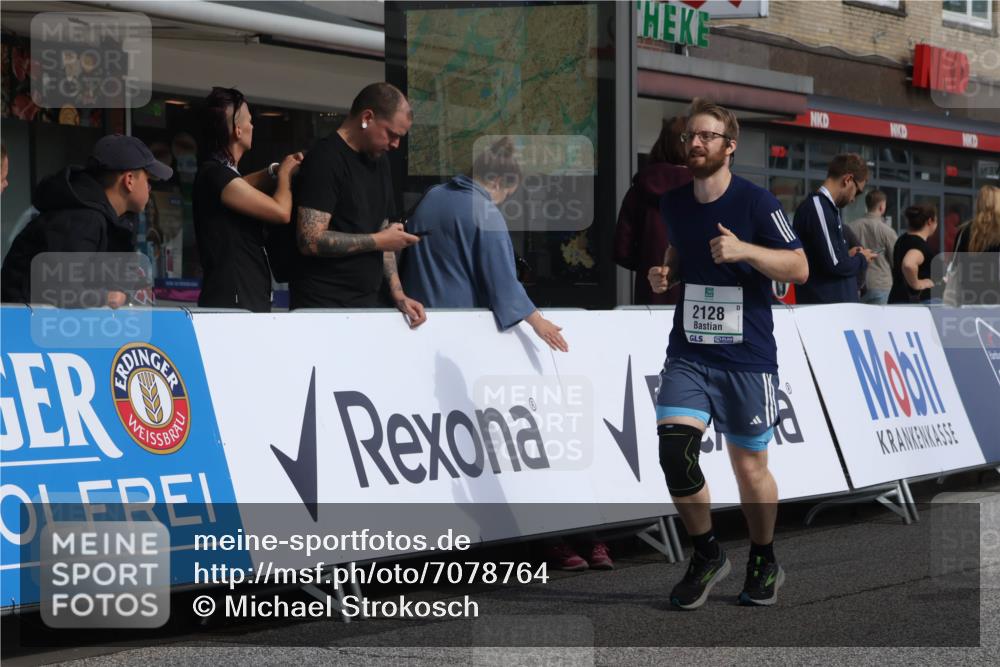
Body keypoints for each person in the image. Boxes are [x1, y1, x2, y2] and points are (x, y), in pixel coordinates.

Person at [647, 98, 808, 610]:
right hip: (689, 352)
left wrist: (747, 252)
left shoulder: (758, 204)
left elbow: (800, 267)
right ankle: (707, 553)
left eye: (706, 137)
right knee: (675, 453)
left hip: (747, 358)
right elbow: (680, 248)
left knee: (749, 468)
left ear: (729, 147)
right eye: (689, 136)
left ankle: (764, 556)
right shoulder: (673, 202)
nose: (694, 143)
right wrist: (667, 271)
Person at [399, 137, 568, 352]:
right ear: (497, 181)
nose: (503, 201)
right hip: (459, 328)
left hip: (411, 320)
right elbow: (503, 282)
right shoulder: (486, 214)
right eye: (507, 194)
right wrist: (539, 322)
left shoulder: (432, 195)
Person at [291, 82, 425, 327]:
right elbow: (309, 239)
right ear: (367, 118)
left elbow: (384, 232)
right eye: (392, 134)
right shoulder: (326, 158)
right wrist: (378, 240)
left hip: (366, 304)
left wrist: (398, 294)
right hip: (323, 308)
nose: (395, 144)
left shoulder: (379, 161)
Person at [1, 134, 172, 305]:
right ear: (129, 181)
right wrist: (108, 297)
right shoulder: (82, 219)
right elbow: (59, 289)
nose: (150, 190)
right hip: (23, 323)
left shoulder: (112, 220)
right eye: (148, 182)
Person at [193, 87, 303, 312]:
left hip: (243, 295)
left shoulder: (220, 173)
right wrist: (284, 175)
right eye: (249, 121)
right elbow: (281, 212)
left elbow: (240, 183)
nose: (253, 126)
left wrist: (273, 170)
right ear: (237, 131)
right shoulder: (215, 174)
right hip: (234, 299)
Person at [614, 116, 692, 305]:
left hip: (650, 293)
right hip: (698, 296)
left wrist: (647, 265)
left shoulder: (639, 189)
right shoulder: (705, 189)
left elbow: (621, 251)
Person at [792, 153, 878, 304]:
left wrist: (848, 256)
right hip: (826, 311)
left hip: (832, 309)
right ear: (847, 180)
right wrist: (861, 259)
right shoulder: (818, 207)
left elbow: (827, 258)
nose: (853, 199)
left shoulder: (826, 208)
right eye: (857, 192)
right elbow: (835, 264)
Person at [847, 190, 897, 305]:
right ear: (881, 207)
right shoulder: (887, 231)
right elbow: (896, 260)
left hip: (857, 286)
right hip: (881, 285)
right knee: (881, 322)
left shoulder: (851, 227)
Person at [889, 204, 938, 305]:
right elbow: (908, 264)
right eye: (936, 221)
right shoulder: (919, 245)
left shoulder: (902, 240)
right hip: (916, 303)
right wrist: (917, 284)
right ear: (929, 221)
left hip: (897, 299)